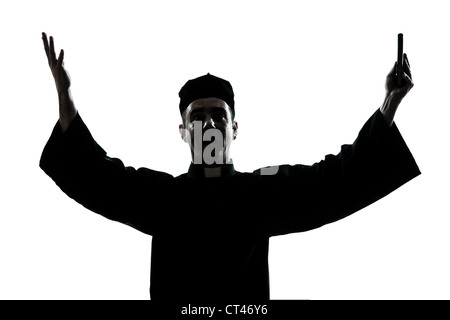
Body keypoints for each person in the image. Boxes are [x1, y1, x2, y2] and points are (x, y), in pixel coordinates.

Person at [39, 32, 421, 301]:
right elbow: (97, 176)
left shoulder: (261, 192)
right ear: (183, 132)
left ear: (234, 128)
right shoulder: (162, 198)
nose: (208, 124)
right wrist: (65, 96)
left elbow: (335, 180)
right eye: (198, 116)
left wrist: (390, 104)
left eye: (218, 116)